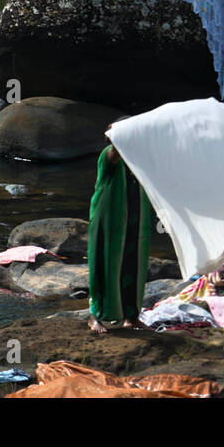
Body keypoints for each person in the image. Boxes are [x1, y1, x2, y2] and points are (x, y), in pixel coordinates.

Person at [86, 141, 153, 333]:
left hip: (135, 217)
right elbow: (115, 154)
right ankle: (95, 316)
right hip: (109, 218)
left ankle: (131, 317)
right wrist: (118, 137)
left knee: (134, 264)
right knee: (105, 263)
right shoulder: (111, 152)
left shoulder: (139, 157)